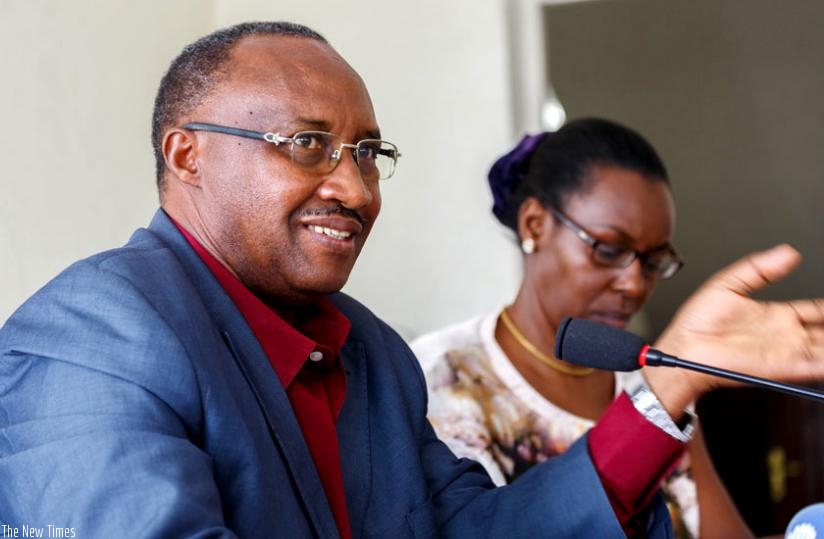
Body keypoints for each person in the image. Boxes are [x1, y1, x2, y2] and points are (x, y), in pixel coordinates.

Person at [0, 21, 823, 539]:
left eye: (367, 154)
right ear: (188, 154)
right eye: (308, 144)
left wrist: (667, 385)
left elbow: (485, 529)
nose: (356, 189)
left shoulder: (374, 355)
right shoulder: (97, 328)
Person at [411, 119, 752, 538]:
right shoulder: (438, 380)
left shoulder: (650, 383)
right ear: (534, 224)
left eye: (653, 262)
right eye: (609, 250)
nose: (634, 283)